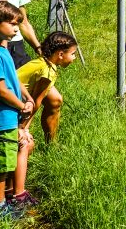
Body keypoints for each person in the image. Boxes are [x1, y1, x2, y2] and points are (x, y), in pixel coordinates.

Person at [9, 31, 78, 206]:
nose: (74, 58)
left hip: (5, 105)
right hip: (3, 107)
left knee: (23, 144)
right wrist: (24, 128)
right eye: (73, 54)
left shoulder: (42, 63)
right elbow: (37, 101)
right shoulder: (47, 71)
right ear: (60, 55)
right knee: (25, 144)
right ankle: (14, 194)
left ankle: (11, 190)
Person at [0, 0, 33, 219]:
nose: (16, 28)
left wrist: (27, 97)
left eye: (18, 23)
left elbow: (13, 79)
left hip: (9, 117)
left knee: (8, 160)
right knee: (0, 167)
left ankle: (7, 200)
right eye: (11, 24)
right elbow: (1, 90)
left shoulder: (2, 50)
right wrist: (21, 106)